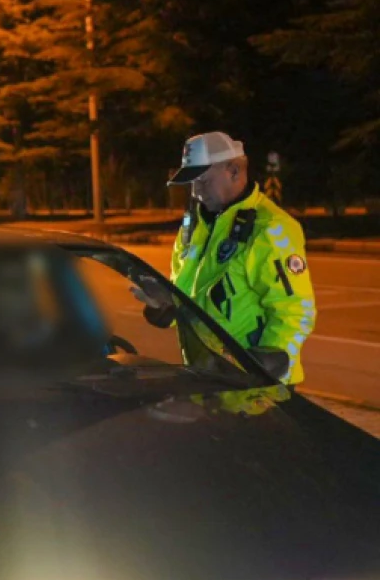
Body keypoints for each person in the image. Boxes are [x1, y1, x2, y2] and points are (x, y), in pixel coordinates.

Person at [134, 132, 316, 414]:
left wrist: (266, 365)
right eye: (191, 182)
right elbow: (189, 295)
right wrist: (164, 306)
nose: (196, 191)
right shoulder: (193, 225)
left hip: (257, 394)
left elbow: (296, 310)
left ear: (234, 170)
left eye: (203, 180)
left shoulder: (271, 228)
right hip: (207, 380)